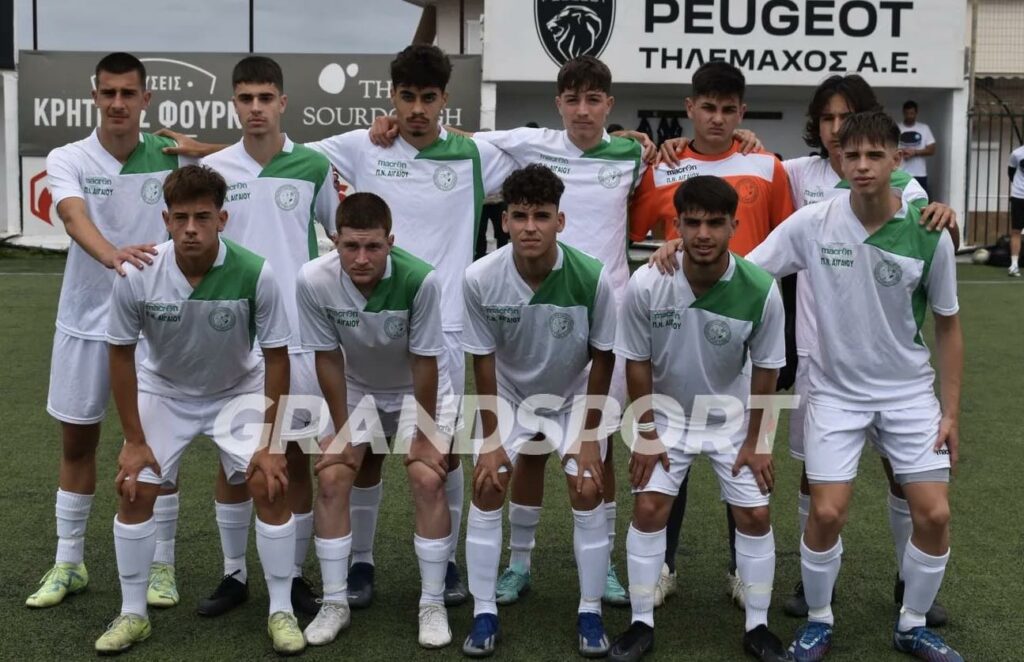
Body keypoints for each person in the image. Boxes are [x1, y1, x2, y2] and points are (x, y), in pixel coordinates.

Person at [161, 45, 517, 614]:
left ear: (445, 100)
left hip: (443, 324)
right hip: (361, 323)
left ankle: (446, 562)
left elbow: (554, 151)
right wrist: (203, 150)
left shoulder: (474, 153)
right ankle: (357, 563)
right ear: (391, 97)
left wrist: (633, 140)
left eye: (428, 99)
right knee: (359, 450)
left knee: (441, 453)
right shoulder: (358, 145)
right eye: (406, 98)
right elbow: (275, 148)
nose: (416, 109)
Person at [652, 74, 958, 620]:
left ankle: (909, 586)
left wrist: (946, 213)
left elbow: (938, 279)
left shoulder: (911, 203)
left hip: (898, 373)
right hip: (820, 359)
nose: (843, 140)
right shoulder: (798, 180)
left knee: (910, 485)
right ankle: (816, 594)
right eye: (830, 122)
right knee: (816, 487)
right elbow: (749, 191)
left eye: (854, 128)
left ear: (892, 156)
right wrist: (688, 221)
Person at [371, 54, 651, 607]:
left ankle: (607, 566)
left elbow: (680, 176)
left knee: (599, 448)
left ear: (609, 105)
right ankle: (519, 563)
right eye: (573, 99)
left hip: (600, 312)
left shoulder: (632, 155)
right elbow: (460, 138)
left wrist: (644, 139)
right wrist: (392, 122)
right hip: (530, 310)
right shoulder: (531, 143)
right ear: (558, 103)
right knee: (531, 449)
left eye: (594, 100)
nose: (583, 110)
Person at [747, 111, 963, 662]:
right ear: (839, 160)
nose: (862, 165)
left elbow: (948, 325)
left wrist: (950, 413)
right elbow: (747, 272)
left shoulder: (929, 233)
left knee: (935, 514)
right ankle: (819, 620)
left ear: (898, 160)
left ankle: (912, 623)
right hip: (835, 394)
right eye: (852, 155)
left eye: (874, 155)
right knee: (825, 513)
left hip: (908, 394)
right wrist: (679, 255)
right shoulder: (812, 223)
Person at [96, 164, 302, 655]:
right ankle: (133, 613)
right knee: (134, 488)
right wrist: (134, 440)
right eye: (181, 218)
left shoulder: (255, 271)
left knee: (269, 483)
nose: (191, 229)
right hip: (165, 391)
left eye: (203, 217)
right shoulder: (138, 274)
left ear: (222, 219)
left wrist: (271, 444)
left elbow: (277, 358)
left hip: (237, 389)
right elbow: (120, 355)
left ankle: (282, 611)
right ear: (166, 220)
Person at [27, 52, 192, 611]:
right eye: (108, 93)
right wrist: (113, 255)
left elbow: (247, 157)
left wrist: (198, 148)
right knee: (78, 443)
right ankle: (69, 562)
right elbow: (73, 217)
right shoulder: (69, 157)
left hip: (154, 328)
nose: (118, 103)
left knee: (157, 449)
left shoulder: (169, 157)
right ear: (95, 96)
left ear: (146, 99)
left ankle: (162, 566)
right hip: (84, 321)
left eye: (128, 93)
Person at [629, 60, 794, 610]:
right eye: (708, 108)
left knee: (741, 460)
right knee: (667, 460)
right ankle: (664, 567)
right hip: (679, 328)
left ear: (742, 112)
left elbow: (786, 239)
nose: (718, 119)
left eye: (728, 110)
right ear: (690, 108)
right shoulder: (663, 167)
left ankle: (740, 571)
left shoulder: (767, 165)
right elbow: (633, 227)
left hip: (743, 329)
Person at [608, 175, 789, 662]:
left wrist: (758, 442)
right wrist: (647, 433)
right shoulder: (649, 283)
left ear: (734, 226)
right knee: (649, 508)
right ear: (677, 226)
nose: (703, 234)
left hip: (732, 420)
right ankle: (640, 622)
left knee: (755, 514)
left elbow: (767, 370)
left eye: (714, 223)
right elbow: (637, 361)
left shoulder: (760, 289)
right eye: (692, 223)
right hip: (667, 417)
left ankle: (758, 625)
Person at [197, 55, 339, 618]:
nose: (255, 108)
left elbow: (341, 233)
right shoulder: (215, 169)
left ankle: (295, 574)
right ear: (234, 104)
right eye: (245, 98)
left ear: (282, 102)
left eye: (265, 98)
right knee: (233, 461)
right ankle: (234, 574)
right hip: (233, 337)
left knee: (294, 454)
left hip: (297, 336)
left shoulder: (314, 165)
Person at [461, 164, 618, 658]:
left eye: (542, 216)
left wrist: (588, 438)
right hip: (509, 394)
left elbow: (604, 357)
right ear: (504, 220)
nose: (530, 227)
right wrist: (490, 441)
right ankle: (484, 612)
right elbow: (482, 360)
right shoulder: (480, 277)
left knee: (587, 485)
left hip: (572, 394)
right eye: (520, 215)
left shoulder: (592, 277)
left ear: (560, 221)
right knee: (487, 483)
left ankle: (590, 611)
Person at [295, 192, 459, 648]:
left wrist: (425, 433)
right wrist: (343, 433)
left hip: (416, 386)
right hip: (357, 385)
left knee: (428, 477)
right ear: (335, 241)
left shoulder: (420, 279)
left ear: (391, 241)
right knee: (332, 476)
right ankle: (335, 602)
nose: (362, 258)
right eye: (351, 246)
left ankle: (432, 603)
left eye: (373, 246)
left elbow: (425, 361)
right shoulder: (313, 279)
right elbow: (327, 357)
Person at [897, 101, 936, 197]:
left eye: (912, 113)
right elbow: (889, 148)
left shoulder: (924, 128)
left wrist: (915, 152)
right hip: (901, 173)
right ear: (903, 113)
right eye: (907, 113)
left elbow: (932, 149)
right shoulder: (897, 128)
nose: (909, 116)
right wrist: (903, 152)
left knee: (921, 200)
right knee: (900, 199)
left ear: (916, 113)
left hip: (920, 174)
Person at [1006, 144, 1024, 277]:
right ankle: (1014, 265)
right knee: (1016, 231)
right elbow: (1011, 173)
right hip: (1018, 196)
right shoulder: (1016, 154)